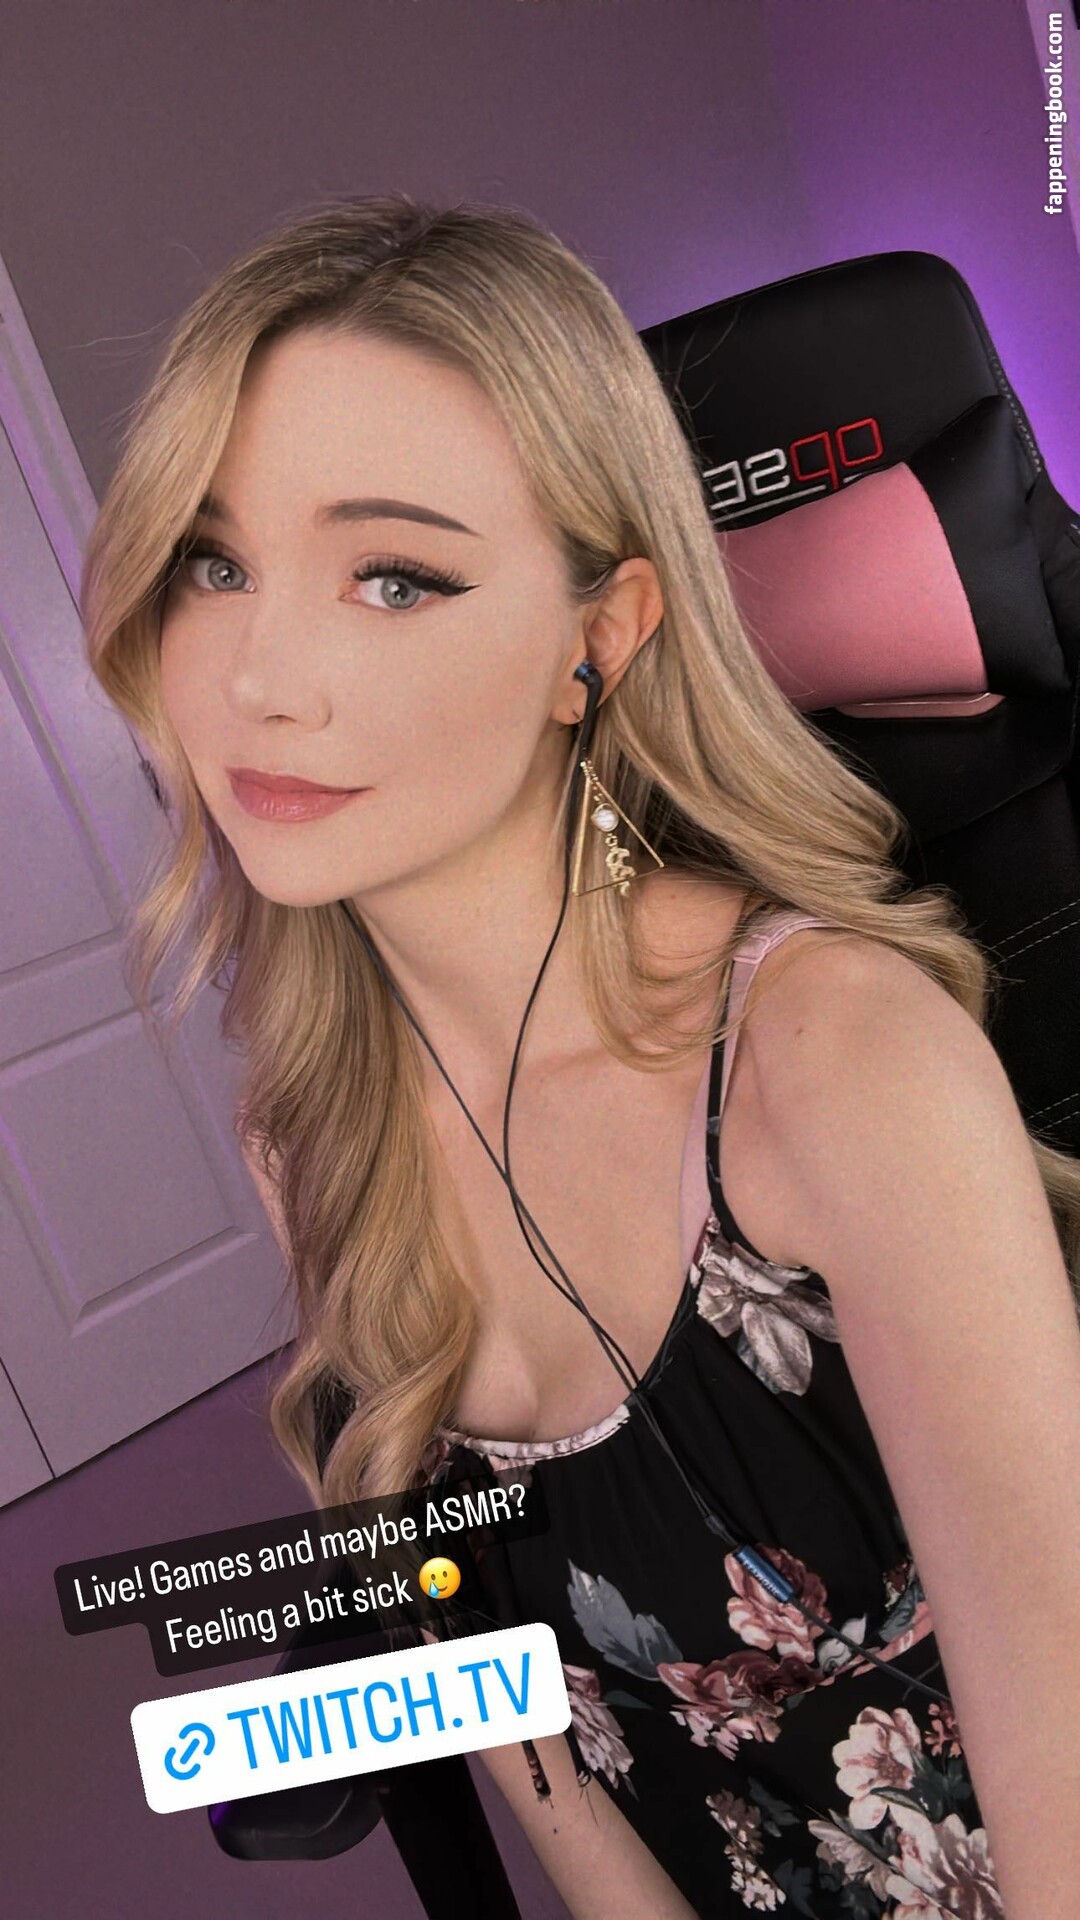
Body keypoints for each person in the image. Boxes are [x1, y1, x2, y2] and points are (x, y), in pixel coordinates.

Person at [81, 193, 1080, 1919]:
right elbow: (510, 1705)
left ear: (595, 640)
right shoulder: (311, 1131)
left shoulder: (835, 1065)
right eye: (211, 562)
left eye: (394, 576)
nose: (257, 677)